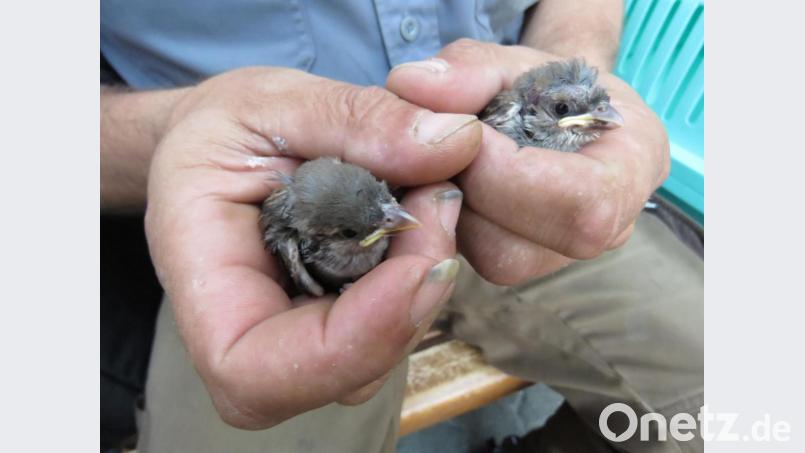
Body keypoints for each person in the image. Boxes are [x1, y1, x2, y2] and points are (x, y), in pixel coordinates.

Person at [100, 1, 703, 452]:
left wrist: (568, 73)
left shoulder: (536, 124)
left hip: (518, 191)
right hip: (234, 211)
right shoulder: (292, 238)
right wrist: (183, 125)